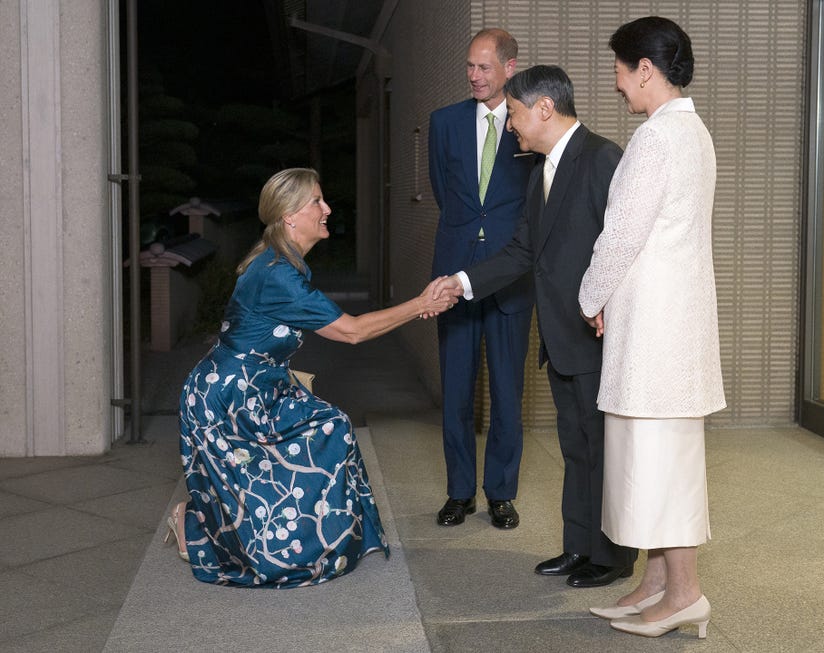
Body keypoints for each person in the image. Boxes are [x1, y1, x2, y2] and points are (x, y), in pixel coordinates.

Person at [165, 168, 456, 588]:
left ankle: (320, 535)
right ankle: (192, 522)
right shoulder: (276, 274)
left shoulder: (284, 262)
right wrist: (422, 304)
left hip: (261, 388)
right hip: (225, 402)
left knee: (331, 427)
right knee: (265, 546)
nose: (327, 209)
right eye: (316, 202)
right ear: (289, 216)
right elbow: (351, 331)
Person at [431, 65, 636, 587]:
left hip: (595, 334)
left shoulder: (602, 157)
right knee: (576, 446)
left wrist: (609, 305)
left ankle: (612, 557)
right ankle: (579, 545)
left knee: (600, 449)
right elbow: (524, 250)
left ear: (545, 108)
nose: (511, 126)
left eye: (515, 113)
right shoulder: (539, 169)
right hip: (562, 335)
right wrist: (461, 282)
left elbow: (626, 247)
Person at [578, 17, 726, 638]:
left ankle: (685, 592)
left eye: (619, 70)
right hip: (674, 323)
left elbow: (622, 234)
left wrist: (589, 295)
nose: (616, 84)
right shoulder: (691, 132)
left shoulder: (656, 139)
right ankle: (660, 584)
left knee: (661, 459)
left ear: (645, 67)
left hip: (656, 329)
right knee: (660, 453)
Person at [428, 28, 534, 529]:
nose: (474, 76)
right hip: (454, 276)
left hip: (510, 277)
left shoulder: (526, 123)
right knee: (456, 390)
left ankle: (501, 493)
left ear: (509, 68)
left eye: (484, 67)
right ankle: (459, 492)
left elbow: (536, 199)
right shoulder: (444, 123)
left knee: (507, 392)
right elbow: (444, 195)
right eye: (469, 66)